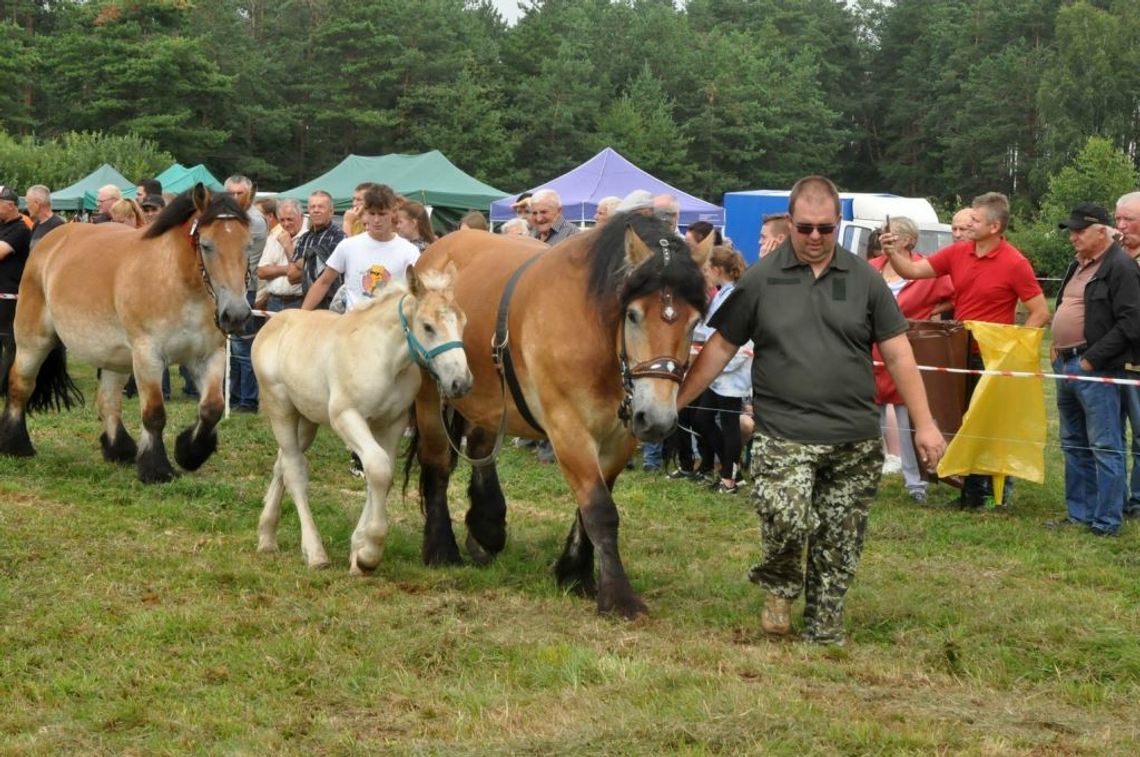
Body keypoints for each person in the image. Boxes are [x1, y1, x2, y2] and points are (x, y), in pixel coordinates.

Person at [677, 175, 945, 645]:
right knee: (786, 514)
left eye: (825, 228)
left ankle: (824, 626)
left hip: (853, 435)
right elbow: (721, 347)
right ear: (791, 223)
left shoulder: (864, 279)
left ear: (838, 223)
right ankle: (781, 584)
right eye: (805, 228)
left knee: (840, 539)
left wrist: (924, 425)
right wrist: (675, 401)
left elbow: (899, 353)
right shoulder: (761, 278)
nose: (815, 237)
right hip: (784, 430)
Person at [881, 191, 1049, 509]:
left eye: (974, 219)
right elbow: (912, 271)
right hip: (962, 350)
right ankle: (972, 492)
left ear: (995, 226)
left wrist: (1014, 350)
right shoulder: (958, 253)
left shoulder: (1015, 262)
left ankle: (995, 493)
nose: (967, 224)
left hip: (995, 355)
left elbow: (1040, 311)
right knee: (965, 421)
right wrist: (891, 251)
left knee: (990, 423)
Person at [1050, 203, 1140, 537]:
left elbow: (1131, 323)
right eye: (1071, 231)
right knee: (1073, 442)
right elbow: (1063, 305)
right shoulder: (1077, 264)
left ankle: (1106, 521)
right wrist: (1056, 346)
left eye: (1079, 231)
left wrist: (1092, 359)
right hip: (1066, 363)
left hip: (1093, 367)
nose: (1072, 237)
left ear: (1101, 231)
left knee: (1105, 445)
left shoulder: (1121, 267)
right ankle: (1080, 514)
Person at [869, 216, 954, 503]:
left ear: (906, 240)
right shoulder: (872, 269)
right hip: (872, 355)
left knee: (909, 424)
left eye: (889, 234)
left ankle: (916, 484)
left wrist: (932, 312)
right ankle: (868, 478)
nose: (883, 238)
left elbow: (954, 294)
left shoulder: (926, 269)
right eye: (882, 234)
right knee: (871, 424)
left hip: (907, 354)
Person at [689, 245, 753, 494]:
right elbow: (709, 330)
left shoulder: (736, 295)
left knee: (728, 423)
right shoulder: (721, 293)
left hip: (731, 372)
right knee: (702, 419)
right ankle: (728, 465)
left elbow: (739, 337)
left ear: (716, 269)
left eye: (707, 269)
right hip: (717, 371)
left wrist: (721, 364)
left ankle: (730, 477)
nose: (705, 274)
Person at [301, 184, 419, 312]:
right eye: (372, 213)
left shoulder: (409, 251)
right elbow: (323, 282)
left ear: (393, 212)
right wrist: (301, 315)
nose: (376, 220)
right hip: (352, 327)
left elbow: (417, 292)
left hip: (389, 327)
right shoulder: (348, 246)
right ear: (365, 212)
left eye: (382, 214)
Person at [224, 174, 269, 413]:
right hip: (230, 289)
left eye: (239, 193)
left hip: (245, 288)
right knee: (231, 346)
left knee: (242, 346)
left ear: (249, 195)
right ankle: (233, 396)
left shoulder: (254, 220)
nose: (234, 198)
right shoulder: (231, 218)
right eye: (230, 193)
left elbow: (244, 262)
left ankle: (248, 399)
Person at [1114, 191, 1140, 519]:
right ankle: (1115, 496)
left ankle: (1138, 499)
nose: (1121, 226)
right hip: (1109, 361)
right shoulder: (1112, 256)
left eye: (1128, 220)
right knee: (1109, 435)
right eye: (1117, 219)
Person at [289, 190, 345, 310]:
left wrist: (305, 263)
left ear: (331, 212)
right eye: (312, 207)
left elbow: (329, 275)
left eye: (321, 207)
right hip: (307, 302)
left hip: (331, 305)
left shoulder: (339, 237)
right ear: (308, 211)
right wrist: (315, 259)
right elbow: (291, 275)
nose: (316, 210)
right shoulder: (304, 238)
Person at [0, 185, 32, 381]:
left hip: (9, 295)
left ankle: (10, 380)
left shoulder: (21, 229)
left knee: (9, 341)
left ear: (10, 205)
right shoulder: (2, 225)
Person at [258, 198, 304, 312]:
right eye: (282, 220)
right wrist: (288, 269)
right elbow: (261, 272)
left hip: (299, 302)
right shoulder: (274, 237)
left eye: (290, 219)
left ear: (301, 217)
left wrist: (288, 246)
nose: (286, 224)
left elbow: (296, 276)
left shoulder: (309, 237)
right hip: (274, 301)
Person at [25, 185, 65, 251]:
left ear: (37, 204)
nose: (27, 206)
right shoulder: (36, 224)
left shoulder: (58, 225)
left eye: (28, 203)